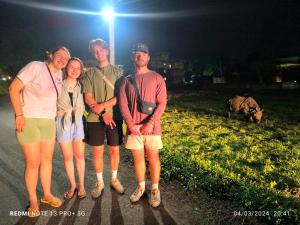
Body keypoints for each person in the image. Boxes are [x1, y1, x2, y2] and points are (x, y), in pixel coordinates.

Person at [9, 46, 70, 217]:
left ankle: (47, 195)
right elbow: (13, 88)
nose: (62, 59)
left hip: (48, 122)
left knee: (47, 161)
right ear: (51, 55)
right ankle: (33, 200)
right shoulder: (36, 66)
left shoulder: (59, 75)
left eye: (66, 58)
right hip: (29, 119)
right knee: (33, 163)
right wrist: (19, 115)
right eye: (59, 56)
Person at [118, 43, 167, 207]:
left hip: (152, 129)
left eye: (143, 54)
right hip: (134, 129)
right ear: (133, 57)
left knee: (153, 159)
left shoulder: (157, 78)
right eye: (137, 54)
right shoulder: (126, 81)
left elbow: (162, 103)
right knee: (138, 160)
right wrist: (130, 125)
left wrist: (150, 123)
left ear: (148, 57)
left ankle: (154, 189)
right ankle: (141, 187)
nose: (140, 56)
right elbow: (123, 105)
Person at [82, 38, 124, 198]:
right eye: (94, 51)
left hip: (115, 118)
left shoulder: (118, 72)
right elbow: (88, 98)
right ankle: (99, 182)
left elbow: (121, 96)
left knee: (114, 150)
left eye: (100, 49)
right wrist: (103, 112)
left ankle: (114, 179)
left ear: (107, 51)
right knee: (97, 152)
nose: (97, 53)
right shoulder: (89, 73)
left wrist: (104, 106)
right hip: (95, 119)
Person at [56, 57, 86, 200]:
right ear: (66, 68)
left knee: (79, 156)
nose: (75, 70)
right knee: (68, 157)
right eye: (72, 67)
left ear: (81, 71)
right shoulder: (58, 84)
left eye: (78, 68)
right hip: (63, 121)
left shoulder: (82, 86)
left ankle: (82, 185)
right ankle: (73, 185)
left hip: (78, 121)